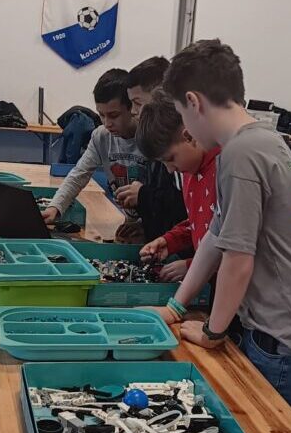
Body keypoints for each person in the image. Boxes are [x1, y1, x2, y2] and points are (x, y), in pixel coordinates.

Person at [156, 39, 291, 415]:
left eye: (182, 115)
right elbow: (215, 235)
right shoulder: (262, 139)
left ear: (194, 102)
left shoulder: (239, 154)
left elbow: (238, 260)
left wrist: (212, 332)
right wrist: (176, 307)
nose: (186, 130)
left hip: (284, 330)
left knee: (270, 430)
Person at [42, 69, 146, 237]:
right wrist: (55, 207)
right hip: (132, 225)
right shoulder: (101, 136)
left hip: (156, 227)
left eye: (114, 115)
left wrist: (145, 225)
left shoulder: (150, 137)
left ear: (132, 108)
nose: (107, 123)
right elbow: (79, 174)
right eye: (101, 115)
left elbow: (167, 196)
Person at [135, 89, 219, 283]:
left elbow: (234, 244)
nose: (170, 169)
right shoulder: (190, 170)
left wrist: (192, 266)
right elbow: (201, 223)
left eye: (170, 158)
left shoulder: (226, 169)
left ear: (189, 136)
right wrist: (170, 241)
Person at [114, 57, 187, 243]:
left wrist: (143, 195)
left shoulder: (177, 143)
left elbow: (182, 208)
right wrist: (144, 225)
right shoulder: (153, 137)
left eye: (137, 103)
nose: (133, 111)